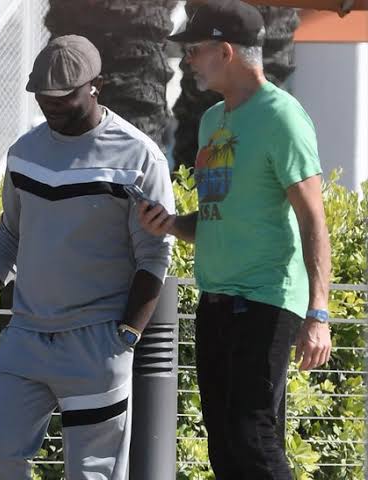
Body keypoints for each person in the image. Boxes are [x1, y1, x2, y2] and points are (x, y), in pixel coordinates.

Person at [0, 35, 174, 480]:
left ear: (97, 86)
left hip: (98, 344)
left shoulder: (139, 156)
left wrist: (127, 336)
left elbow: (154, 255)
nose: (51, 105)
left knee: (92, 474)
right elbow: (9, 238)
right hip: (25, 338)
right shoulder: (23, 153)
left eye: (63, 95)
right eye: (42, 95)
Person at [139, 1, 332, 478]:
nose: (187, 60)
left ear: (225, 51)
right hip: (216, 301)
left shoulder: (282, 117)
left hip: (265, 300)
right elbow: (216, 217)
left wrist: (319, 314)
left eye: (194, 50)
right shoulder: (212, 121)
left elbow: (313, 218)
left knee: (253, 439)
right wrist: (171, 224)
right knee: (225, 447)